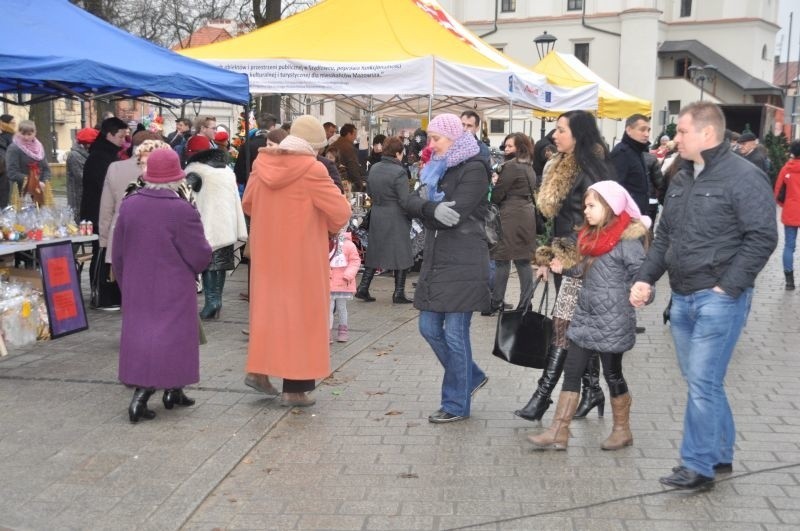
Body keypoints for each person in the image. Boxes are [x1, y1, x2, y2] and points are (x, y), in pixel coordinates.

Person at [630, 101, 777, 490]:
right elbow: (664, 237)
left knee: (701, 381)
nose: (675, 138)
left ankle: (697, 467)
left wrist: (728, 286)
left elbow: (763, 237)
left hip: (718, 299)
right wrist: (646, 278)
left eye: (681, 131)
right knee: (703, 381)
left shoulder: (744, 176)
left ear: (706, 134)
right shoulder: (682, 177)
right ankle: (720, 451)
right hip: (681, 298)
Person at [529, 181, 651, 450]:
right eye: (585, 205)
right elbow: (583, 270)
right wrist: (564, 268)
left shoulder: (626, 241)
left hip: (613, 320)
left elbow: (643, 277)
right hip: (585, 315)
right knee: (572, 371)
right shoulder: (590, 236)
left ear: (610, 207)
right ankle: (558, 430)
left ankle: (622, 430)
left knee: (613, 374)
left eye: (591, 205)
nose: (585, 210)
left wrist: (644, 293)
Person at [242, 115, 351, 407]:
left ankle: (259, 371)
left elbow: (248, 203)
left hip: (267, 255)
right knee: (301, 319)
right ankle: (295, 389)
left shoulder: (261, 163)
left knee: (268, 313)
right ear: (313, 146)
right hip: (302, 257)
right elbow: (340, 212)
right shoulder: (312, 169)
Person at [515, 110, 616, 423]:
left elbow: (597, 223)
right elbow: (553, 218)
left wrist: (568, 255)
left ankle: (542, 397)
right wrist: (545, 258)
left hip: (584, 261)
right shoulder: (557, 164)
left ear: (578, 134)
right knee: (578, 329)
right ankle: (592, 388)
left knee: (564, 327)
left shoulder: (592, 169)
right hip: (562, 260)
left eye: (560, 130)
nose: (554, 136)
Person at [112, 149, 212, 423]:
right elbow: (199, 253)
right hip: (174, 285)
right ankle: (142, 396)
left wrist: (125, 281)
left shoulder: (130, 204)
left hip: (137, 283)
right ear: (177, 178)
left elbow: (118, 250)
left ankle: (174, 391)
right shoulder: (181, 209)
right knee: (174, 338)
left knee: (142, 336)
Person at [403, 113, 491, 423]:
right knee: (428, 328)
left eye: (436, 138)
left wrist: (429, 209)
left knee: (455, 334)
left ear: (454, 138)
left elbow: (455, 212)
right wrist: (431, 208)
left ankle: (455, 404)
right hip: (438, 259)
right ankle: (471, 375)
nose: (431, 144)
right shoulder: (433, 168)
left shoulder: (475, 168)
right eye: (429, 138)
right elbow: (411, 202)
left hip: (465, 261)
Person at [185, 143, 248, 320]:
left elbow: (185, 195)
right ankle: (216, 301)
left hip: (207, 225)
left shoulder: (197, 172)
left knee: (209, 264)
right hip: (227, 225)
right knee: (219, 264)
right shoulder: (227, 171)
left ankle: (212, 302)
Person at [355, 136, 415, 304]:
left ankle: (363, 287)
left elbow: (370, 193)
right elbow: (404, 199)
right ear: (397, 153)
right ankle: (399, 293)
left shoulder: (374, 168)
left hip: (378, 212)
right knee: (402, 252)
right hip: (396, 214)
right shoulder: (400, 172)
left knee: (375, 250)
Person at [485, 132, 537, 314]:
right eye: (505, 146)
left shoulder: (511, 166)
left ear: (520, 147)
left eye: (510, 146)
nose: (506, 149)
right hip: (526, 215)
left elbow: (498, 194)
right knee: (523, 260)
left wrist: (494, 183)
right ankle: (525, 303)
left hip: (510, 216)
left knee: (502, 259)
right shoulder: (528, 165)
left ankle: (496, 302)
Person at [82, 117, 128, 288]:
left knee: (105, 250)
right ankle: (99, 288)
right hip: (98, 212)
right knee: (101, 251)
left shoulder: (108, 154)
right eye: (121, 137)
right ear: (109, 134)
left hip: (102, 210)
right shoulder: (100, 156)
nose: (123, 141)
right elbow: (105, 187)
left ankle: (103, 288)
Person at [4, 120, 52, 206]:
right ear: (18, 132)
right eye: (23, 134)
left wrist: (44, 182)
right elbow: (12, 172)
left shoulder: (39, 147)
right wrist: (33, 182)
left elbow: (46, 169)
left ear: (35, 133)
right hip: (20, 192)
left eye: (29, 134)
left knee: (41, 216)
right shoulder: (14, 148)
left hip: (39, 191)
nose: (26, 137)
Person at [774, 140, 800, 289]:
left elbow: (777, 191)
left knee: (789, 246)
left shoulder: (786, 169)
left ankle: (789, 282)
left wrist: (786, 205)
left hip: (791, 211)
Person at [329, 229, 361, 342]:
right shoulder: (326, 242)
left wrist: (348, 274)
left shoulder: (348, 245)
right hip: (330, 281)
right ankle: (328, 331)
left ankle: (343, 329)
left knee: (341, 308)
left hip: (343, 282)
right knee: (329, 308)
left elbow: (355, 261)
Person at [233, 112, 277, 190]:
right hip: (272, 188)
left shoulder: (246, 145)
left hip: (251, 188)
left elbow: (238, 174)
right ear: (272, 127)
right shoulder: (277, 145)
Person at [66, 127, 99, 221]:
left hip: (88, 197)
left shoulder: (90, 154)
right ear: (87, 143)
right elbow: (82, 177)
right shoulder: (74, 156)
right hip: (78, 199)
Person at [332, 123, 365, 192]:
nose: (355, 137)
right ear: (349, 134)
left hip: (332, 182)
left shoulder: (333, 145)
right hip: (345, 183)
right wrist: (359, 185)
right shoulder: (349, 148)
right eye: (354, 135)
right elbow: (353, 167)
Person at [0, 114, 17, 208]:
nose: (15, 125)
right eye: (12, 123)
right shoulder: (3, 138)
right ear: (5, 124)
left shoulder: (15, 138)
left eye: (15, 123)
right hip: (6, 176)